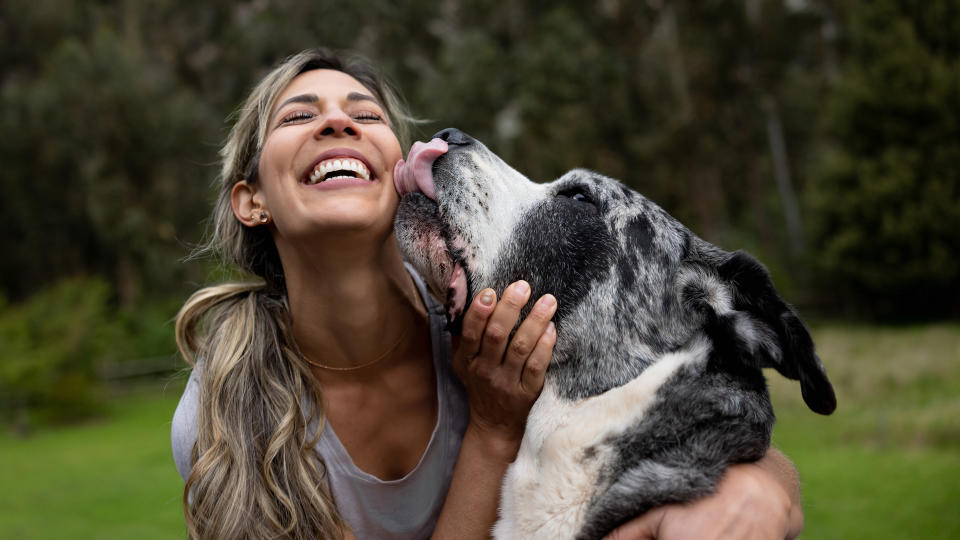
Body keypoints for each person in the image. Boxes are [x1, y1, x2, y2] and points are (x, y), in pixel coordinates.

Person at [172, 48, 804, 540]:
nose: (338, 121)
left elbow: (695, 412)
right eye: (299, 115)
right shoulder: (226, 413)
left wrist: (759, 488)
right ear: (251, 200)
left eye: (366, 115)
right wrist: (494, 427)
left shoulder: (503, 315)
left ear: (400, 170)